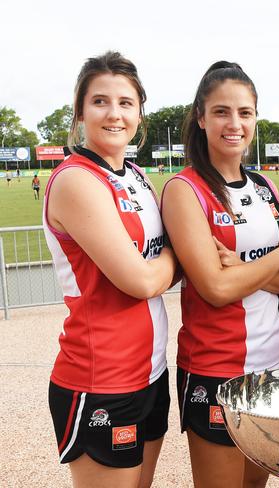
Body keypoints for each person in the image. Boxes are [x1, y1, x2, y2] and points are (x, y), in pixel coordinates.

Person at [162, 61, 279, 488]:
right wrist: (277, 257)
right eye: (222, 111)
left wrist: (246, 266)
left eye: (245, 112)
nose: (234, 123)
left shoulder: (264, 186)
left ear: (255, 118)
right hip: (214, 370)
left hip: (272, 364)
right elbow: (216, 288)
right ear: (201, 118)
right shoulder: (184, 189)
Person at [43, 51, 177, 488]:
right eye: (100, 101)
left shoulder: (138, 176)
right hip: (101, 378)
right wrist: (181, 257)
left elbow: (152, 268)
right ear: (80, 111)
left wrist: (165, 262)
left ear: (140, 111)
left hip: (152, 370)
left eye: (126, 102)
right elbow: (139, 281)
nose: (114, 114)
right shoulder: (75, 180)